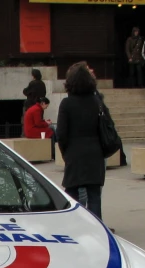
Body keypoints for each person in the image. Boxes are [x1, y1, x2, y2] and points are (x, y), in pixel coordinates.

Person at [57, 63, 105, 220]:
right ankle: (97, 225)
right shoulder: (96, 102)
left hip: (74, 152)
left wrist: (66, 153)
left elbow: (61, 134)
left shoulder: (67, 104)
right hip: (95, 152)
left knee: (72, 193)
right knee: (94, 195)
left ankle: (74, 223)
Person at [22, 69, 46, 136]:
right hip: (39, 105)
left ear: (33, 76)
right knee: (39, 122)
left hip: (30, 106)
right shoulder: (42, 84)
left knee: (28, 122)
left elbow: (26, 91)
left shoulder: (32, 83)